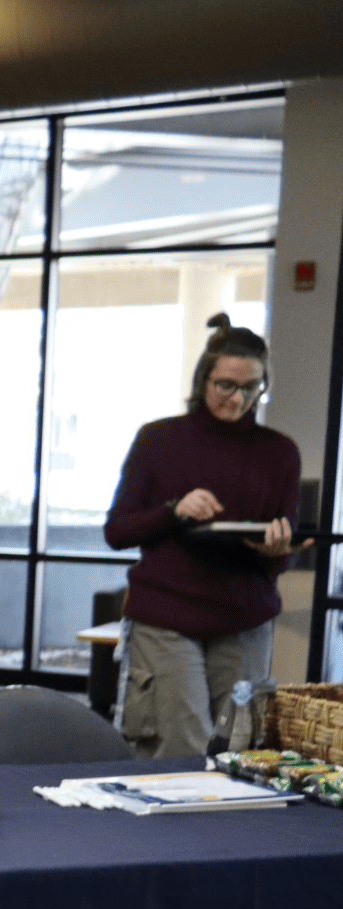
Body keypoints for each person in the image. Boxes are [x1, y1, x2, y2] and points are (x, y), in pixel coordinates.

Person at [104, 313, 307, 757]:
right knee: (180, 746)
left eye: (251, 388)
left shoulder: (280, 452)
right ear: (203, 380)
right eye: (225, 386)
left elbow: (279, 553)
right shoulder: (159, 439)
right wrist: (174, 511)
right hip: (166, 618)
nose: (237, 399)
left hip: (244, 618)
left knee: (236, 750)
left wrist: (276, 550)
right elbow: (117, 531)